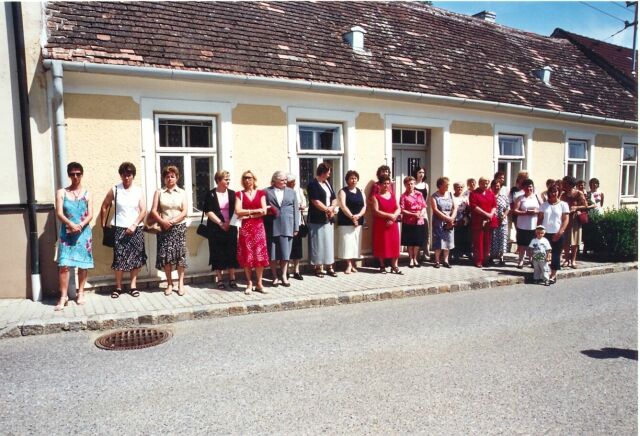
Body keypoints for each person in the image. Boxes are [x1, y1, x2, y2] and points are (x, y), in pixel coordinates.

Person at [100, 162, 147, 298]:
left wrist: (134, 224)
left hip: (135, 228)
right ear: (120, 175)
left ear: (133, 176)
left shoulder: (138, 190)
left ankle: (133, 286)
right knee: (119, 258)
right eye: (124, 175)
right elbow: (104, 206)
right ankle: (118, 287)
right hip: (119, 228)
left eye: (129, 175)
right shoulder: (115, 189)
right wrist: (103, 224)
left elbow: (143, 210)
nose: (126, 177)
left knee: (136, 257)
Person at [54, 162, 94, 310]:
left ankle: (81, 292)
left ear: (81, 175)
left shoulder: (87, 193)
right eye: (72, 174)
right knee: (64, 265)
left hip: (83, 233)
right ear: (69, 175)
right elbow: (59, 213)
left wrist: (80, 225)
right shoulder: (61, 193)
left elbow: (90, 214)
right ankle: (63, 296)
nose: (75, 176)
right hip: (67, 233)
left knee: (83, 264)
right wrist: (71, 224)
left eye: (78, 174)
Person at [149, 166, 188, 296]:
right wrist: (163, 222)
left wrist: (173, 221)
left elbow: (185, 211)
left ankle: (181, 284)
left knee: (180, 257)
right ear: (164, 178)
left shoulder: (182, 192)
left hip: (179, 227)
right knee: (166, 257)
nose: (170, 179)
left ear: (177, 178)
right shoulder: (159, 192)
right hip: (164, 228)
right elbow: (153, 211)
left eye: (172, 176)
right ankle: (170, 283)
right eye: (167, 176)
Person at [235, 170, 269, 294]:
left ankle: (259, 283)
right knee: (247, 255)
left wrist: (247, 213)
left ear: (254, 179)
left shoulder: (261, 193)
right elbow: (238, 211)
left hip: (258, 228)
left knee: (259, 255)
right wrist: (253, 212)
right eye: (245, 178)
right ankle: (249, 283)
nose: (247, 180)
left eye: (249, 178)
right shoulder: (239, 194)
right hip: (245, 228)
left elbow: (264, 211)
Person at [203, 170, 239, 290]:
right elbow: (208, 211)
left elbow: (237, 210)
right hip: (215, 228)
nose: (228, 181)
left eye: (229, 179)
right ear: (218, 180)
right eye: (226, 179)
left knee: (231, 252)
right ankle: (219, 279)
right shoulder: (211, 194)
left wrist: (230, 223)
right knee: (217, 253)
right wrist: (221, 223)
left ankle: (232, 278)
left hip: (231, 227)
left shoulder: (233, 194)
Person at [265, 171, 299, 287]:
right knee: (273, 254)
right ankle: (274, 276)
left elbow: (295, 210)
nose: (285, 182)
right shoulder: (266, 192)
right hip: (272, 226)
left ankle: (284, 275)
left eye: (285, 180)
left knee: (285, 253)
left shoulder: (292, 192)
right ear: (275, 180)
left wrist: (296, 227)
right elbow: (263, 208)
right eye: (282, 180)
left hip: (287, 226)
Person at [307, 163, 338, 277]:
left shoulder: (327, 183)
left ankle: (329, 266)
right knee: (318, 243)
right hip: (316, 218)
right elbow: (315, 201)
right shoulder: (312, 184)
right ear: (322, 172)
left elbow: (334, 198)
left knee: (328, 243)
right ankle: (318, 267)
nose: (329, 174)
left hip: (328, 218)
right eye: (328, 172)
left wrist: (332, 207)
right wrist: (327, 209)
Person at [537, 185, 569, 284]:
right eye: (551, 192)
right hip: (545, 233)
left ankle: (553, 275)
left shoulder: (563, 204)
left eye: (555, 191)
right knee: (543, 254)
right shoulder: (544, 205)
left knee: (555, 254)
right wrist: (538, 232)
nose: (553, 194)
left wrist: (560, 232)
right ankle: (544, 273)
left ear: (558, 192)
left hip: (557, 233)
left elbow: (565, 219)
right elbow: (540, 219)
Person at [337, 170, 366, 274]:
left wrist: (358, 216)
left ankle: (353, 264)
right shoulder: (342, 191)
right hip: (346, 221)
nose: (353, 180)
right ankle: (348, 265)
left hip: (358, 221)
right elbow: (343, 206)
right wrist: (352, 217)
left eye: (355, 178)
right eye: (351, 178)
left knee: (355, 244)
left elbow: (364, 206)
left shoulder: (361, 191)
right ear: (347, 180)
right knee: (347, 243)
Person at [371, 175, 402, 274]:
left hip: (393, 224)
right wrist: (390, 216)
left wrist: (394, 217)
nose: (386, 185)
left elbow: (398, 208)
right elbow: (376, 211)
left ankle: (394, 266)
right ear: (379, 185)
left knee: (394, 244)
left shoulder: (392, 195)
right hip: (381, 224)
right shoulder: (375, 197)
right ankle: (382, 265)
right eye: (384, 183)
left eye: (388, 183)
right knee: (382, 244)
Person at [513, 179, 542, 269]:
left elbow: (542, 209)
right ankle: (521, 261)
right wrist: (525, 213)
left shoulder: (537, 197)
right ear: (523, 188)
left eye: (530, 186)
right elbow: (515, 210)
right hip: (522, 225)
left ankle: (532, 260)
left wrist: (536, 211)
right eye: (527, 187)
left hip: (534, 225)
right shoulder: (520, 198)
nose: (529, 189)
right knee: (522, 244)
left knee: (533, 244)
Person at [560, 175, 588, 268]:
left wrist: (576, 207)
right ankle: (566, 259)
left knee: (574, 241)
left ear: (571, 184)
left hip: (575, 219)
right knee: (566, 240)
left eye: (565, 183)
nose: (563, 185)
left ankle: (573, 260)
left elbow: (585, 205)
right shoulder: (563, 194)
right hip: (566, 219)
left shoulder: (578, 193)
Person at [469, 176, 497, 268]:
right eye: (483, 183)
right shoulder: (474, 193)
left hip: (489, 220)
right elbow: (474, 206)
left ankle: (485, 259)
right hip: (478, 221)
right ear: (479, 183)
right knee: (478, 241)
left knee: (487, 241)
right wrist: (486, 214)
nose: (485, 185)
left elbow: (494, 205)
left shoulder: (490, 193)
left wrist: (491, 214)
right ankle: (478, 260)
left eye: (487, 183)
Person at [400, 176, 427, 268]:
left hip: (419, 220)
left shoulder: (419, 194)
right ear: (405, 185)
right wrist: (413, 214)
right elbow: (402, 210)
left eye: (412, 184)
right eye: (408, 184)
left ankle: (415, 258)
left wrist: (420, 214)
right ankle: (411, 259)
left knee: (417, 241)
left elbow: (424, 206)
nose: (410, 185)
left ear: (414, 184)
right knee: (410, 242)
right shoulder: (403, 196)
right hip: (408, 221)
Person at [429, 177, 457, 268]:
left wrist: (452, 218)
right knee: (439, 241)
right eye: (446, 185)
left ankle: (445, 260)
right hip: (439, 221)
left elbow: (455, 208)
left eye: (448, 185)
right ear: (440, 185)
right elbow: (435, 210)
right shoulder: (434, 196)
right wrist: (446, 218)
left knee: (448, 240)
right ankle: (437, 261)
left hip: (449, 222)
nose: (448, 186)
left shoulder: (450, 194)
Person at [286, 173, 306, 281]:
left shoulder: (299, 190)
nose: (293, 184)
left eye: (294, 182)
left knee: (297, 248)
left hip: (297, 222)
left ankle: (296, 270)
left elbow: (304, 203)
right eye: (290, 182)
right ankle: (286, 271)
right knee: (287, 248)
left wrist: (302, 206)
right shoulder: (284, 191)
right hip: (287, 223)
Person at [489, 179, 509, 265]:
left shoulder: (504, 197)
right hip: (492, 221)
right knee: (493, 239)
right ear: (492, 187)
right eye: (495, 186)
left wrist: (504, 215)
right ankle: (492, 256)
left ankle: (501, 257)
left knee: (502, 239)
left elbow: (508, 208)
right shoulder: (489, 196)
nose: (497, 188)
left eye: (498, 186)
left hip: (502, 221)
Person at [413, 166, 430, 261]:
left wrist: (423, 210)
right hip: (414, 211)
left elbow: (425, 199)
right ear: (416, 173)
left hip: (423, 211)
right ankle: (416, 255)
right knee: (416, 232)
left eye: (423, 172)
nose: (421, 174)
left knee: (425, 232)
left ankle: (426, 253)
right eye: (419, 172)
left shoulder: (426, 185)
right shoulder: (413, 184)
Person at [451, 181, 471, 261]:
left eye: (461, 187)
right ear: (454, 188)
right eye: (458, 187)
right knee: (455, 237)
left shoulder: (465, 197)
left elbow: (468, 208)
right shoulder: (451, 197)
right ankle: (454, 254)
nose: (459, 188)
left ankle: (462, 253)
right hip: (454, 218)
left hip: (463, 219)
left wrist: (464, 216)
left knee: (463, 236)